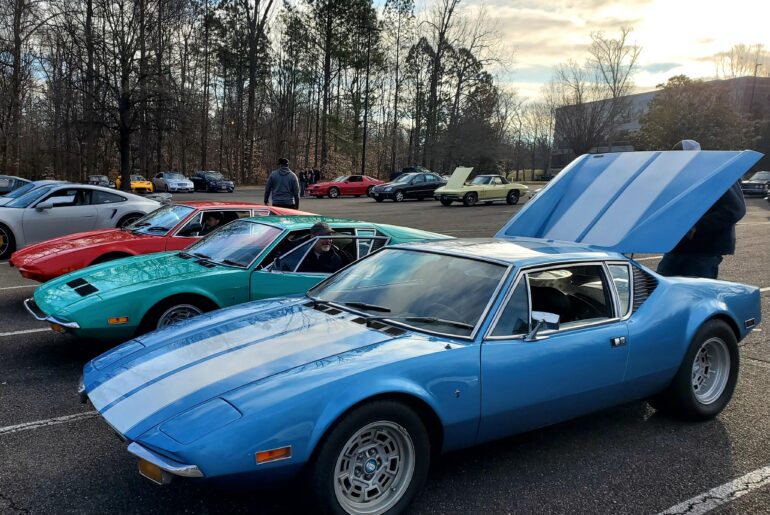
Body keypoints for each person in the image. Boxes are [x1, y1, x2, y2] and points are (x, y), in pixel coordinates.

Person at [656, 140, 746, 279]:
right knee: (661, 286)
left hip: (704, 250)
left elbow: (735, 209)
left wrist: (697, 226)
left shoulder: (716, 174)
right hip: (678, 247)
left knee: (696, 294)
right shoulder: (682, 178)